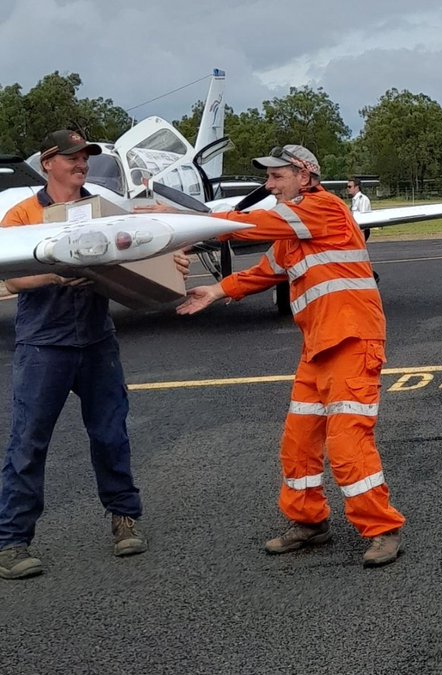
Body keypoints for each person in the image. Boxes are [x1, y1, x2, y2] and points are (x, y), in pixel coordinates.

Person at [153, 144, 406, 568]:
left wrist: (178, 223)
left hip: (352, 341)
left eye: (276, 177)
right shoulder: (294, 233)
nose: (268, 186)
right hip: (319, 347)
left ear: (304, 178)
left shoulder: (320, 209)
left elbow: (245, 226)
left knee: (347, 443)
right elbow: (265, 271)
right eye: (267, 178)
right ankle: (308, 522)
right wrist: (215, 290)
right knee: (298, 443)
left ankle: (382, 530)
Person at [0, 130, 189, 580]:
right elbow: (11, 278)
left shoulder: (101, 205)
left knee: (110, 434)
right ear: (48, 163)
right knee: (28, 442)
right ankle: (11, 541)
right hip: (44, 342)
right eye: (71, 157)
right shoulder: (23, 214)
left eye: (84, 157)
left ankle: (125, 519)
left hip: (97, 338)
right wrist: (56, 274)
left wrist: (171, 260)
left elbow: (136, 250)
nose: (80, 163)